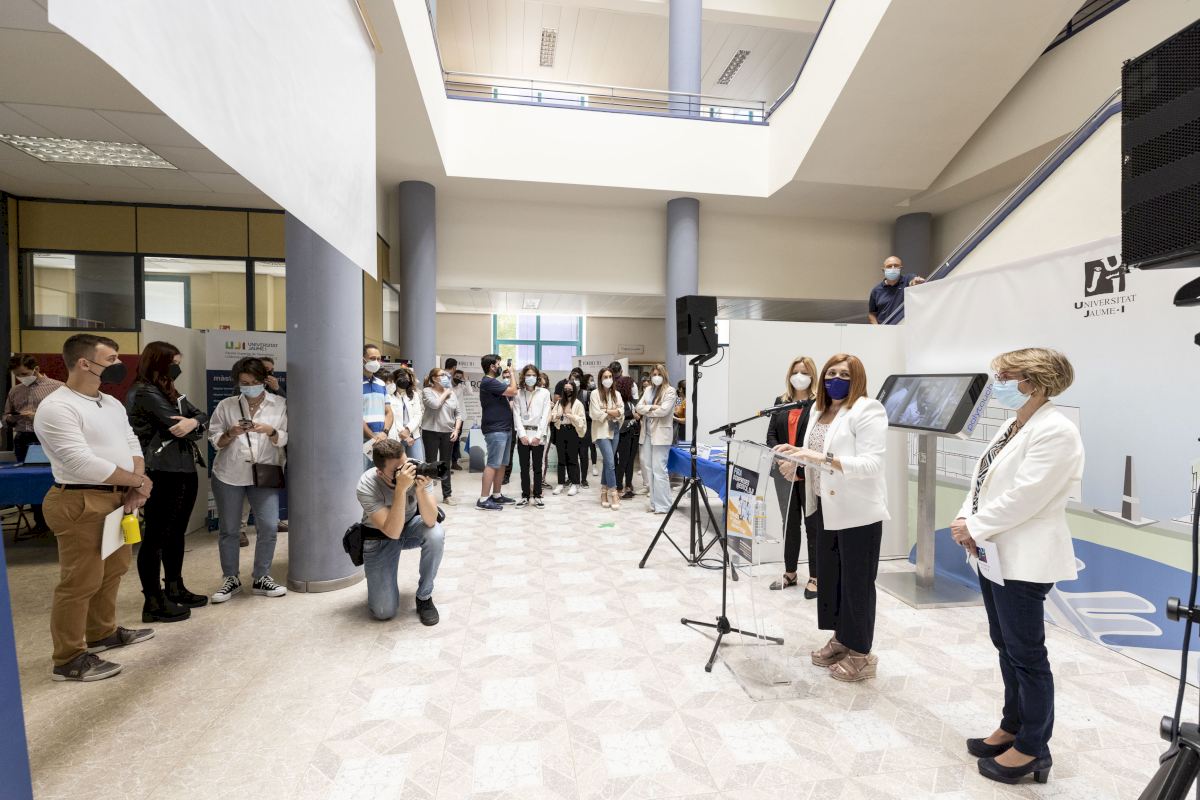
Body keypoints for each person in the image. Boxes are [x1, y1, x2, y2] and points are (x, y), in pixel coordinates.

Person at [950, 348, 1083, 785]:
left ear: (1037, 381)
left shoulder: (1057, 431)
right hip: (995, 552)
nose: (1000, 384)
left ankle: (1033, 748)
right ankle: (1012, 726)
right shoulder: (1013, 424)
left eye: (1008, 377)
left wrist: (974, 526)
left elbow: (1028, 495)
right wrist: (965, 518)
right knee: (1004, 644)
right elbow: (982, 481)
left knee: (1026, 654)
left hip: (1026, 558)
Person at [34, 334, 154, 682]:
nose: (119, 365)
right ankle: (68, 658)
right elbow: (81, 462)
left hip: (119, 498)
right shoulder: (57, 407)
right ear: (84, 363)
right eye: (111, 358)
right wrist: (137, 481)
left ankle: (102, 632)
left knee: (113, 569)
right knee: (80, 581)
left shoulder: (111, 403)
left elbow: (131, 442)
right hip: (80, 500)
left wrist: (135, 483)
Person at [778, 353, 888, 683]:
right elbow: (814, 457)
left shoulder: (868, 409)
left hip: (857, 512)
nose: (835, 379)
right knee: (834, 578)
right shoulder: (819, 410)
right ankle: (842, 638)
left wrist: (820, 457)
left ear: (857, 379)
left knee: (857, 583)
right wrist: (797, 463)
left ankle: (861, 654)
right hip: (823, 507)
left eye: (843, 374)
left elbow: (871, 464)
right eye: (830, 373)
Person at [126, 341, 210, 623]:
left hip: (182, 468)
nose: (177, 368)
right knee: (157, 536)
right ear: (159, 363)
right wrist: (191, 424)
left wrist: (192, 423)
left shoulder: (168, 391)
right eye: (174, 363)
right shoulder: (144, 392)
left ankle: (174, 587)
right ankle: (153, 600)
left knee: (176, 532)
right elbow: (175, 427)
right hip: (160, 470)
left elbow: (200, 416)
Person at [208, 358, 288, 603]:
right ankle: (230, 578)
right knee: (229, 530)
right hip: (229, 474)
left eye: (255, 382)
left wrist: (270, 431)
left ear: (264, 380)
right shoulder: (227, 405)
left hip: (265, 471)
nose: (250, 387)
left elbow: (286, 437)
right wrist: (230, 433)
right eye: (244, 383)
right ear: (237, 382)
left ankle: (261, 576)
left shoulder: (280, 404)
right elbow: (215, 440)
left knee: (268, 527)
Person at [357, 439, 443, 625]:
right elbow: (392, 532)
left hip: (409, 526)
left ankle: (424, 597)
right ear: (380, 472)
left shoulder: (416, 468)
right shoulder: (367, 484)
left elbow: (430, 520)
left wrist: (420, 490)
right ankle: (380, 587)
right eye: (398, 470)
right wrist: (401, 490)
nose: (406, 472)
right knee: (383, 611)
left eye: (406, 464)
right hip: (380, 536)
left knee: (435, 533)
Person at [765, 356, 818, 596]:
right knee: (789, 523)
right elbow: (771, 436)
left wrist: (797, 463)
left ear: (813, 376)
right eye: (796, 371)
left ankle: (816, 576)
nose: (800, 376)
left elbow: (815, 440)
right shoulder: (781, 401)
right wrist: (783, 461)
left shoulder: (818, 404)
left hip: (808, 472)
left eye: (805, 372)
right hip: (783, 472)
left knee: (812, 525)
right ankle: (790, 572)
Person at [5, 354, 64, 533]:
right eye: (17, 375)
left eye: (24, 374)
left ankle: (58, 521)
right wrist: (10, 419)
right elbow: (6, 414)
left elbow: (65, 415)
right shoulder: (15, 391)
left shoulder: (58, 388)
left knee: (52, 479)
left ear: (36, 369)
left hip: (47, 438)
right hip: (23, 438)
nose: (21, 378)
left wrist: (38, 415)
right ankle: (40, 523)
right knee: (30, 482)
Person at [476, 354, 517, 510]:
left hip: (505, 427)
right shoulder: (488, 382)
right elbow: (513, 391)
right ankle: (483, 499)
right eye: (498, 364)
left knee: (502, 464)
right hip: (495, 429)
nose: (501, 367)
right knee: (493, 463)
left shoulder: (494, 382)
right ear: (492, 367)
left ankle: (497, 495)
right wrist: (512, 373)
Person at [635, 364, 677, 514]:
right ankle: (654, 503)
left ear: (664, 375)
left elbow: (664, 411)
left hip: (661, 434)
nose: (656, 377)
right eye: (654, 374)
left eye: (659, 374)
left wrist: (648, 410)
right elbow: (638, 407)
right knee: (649, 469)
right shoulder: (648, 390)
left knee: (660, 470)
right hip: (647, 433)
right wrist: (652, 407)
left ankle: (664, 505)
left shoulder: (670, 391)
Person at [420, 366, 463, 506]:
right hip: (430, 432)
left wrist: (456, 430)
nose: (445, 377)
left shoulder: (452, 394)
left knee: (445, 464)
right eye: (442, 375)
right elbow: (435, 405)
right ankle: (427, 495)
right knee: (431, 464)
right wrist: (447, 392)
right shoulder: (427, 391)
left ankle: (447, 495)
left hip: (447, 432)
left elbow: (458, 414)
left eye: (446, 375)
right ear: (434, 378)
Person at [512, 364, 551, 508]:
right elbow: (516, 414)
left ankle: (538, 495)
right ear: (523, 377)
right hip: (523, 434)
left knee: (537, 467)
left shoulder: (544, 393)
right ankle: (525, 495)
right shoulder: (518, 393)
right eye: (528, 375)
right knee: (524, 467)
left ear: (537, 377)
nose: (531, 378)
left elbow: (545, 415)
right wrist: (521, 434)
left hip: (538, 434)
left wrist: (539, 435)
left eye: (533, 375)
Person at [590, 367, 624, 509]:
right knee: (610, 462)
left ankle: (603, 492)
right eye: (605, 377)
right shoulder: (594, 394)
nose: (608, 379)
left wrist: (606, 410)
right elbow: (595, 413)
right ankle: (614, 493)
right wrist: (612, 412)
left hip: (614, 429)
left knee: (607, 463)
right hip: (601, 431)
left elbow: (621, 411)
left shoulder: (617, 394)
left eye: (610, 376)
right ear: (600, 379)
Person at [550, 379, 586, 497]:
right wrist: (557, 415)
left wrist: (571, 416)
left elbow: (582, 421)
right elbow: (552, 415)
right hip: (560, 431)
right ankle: (560, 483)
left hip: (572, 431)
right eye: (565, 389)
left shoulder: (578, 404)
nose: (567, 391)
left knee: (572, 458)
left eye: (570, 389)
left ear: (574, 390)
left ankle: (575, 484)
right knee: (561, 459)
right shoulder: (559, 402)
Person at [868, 255, 927, 325]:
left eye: (896, 266)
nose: (893, 268)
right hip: (883, 327)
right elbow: (872, 314)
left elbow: (913, 281)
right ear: (883, 270)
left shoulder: (907, 279)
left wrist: (917, 282)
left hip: (903, 327)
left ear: (900, 268)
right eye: (889, 266)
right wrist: (877, 328)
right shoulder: (876, 290)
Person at [362, 344, 392, 470]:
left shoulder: (381, 384)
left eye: (378, 359)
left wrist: (384, 433)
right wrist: (373, 437)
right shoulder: (354, 383)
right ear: (362, 359)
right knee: (362, 475)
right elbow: (354, 416)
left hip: (381, 439)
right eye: (372, 358)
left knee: (379, 475)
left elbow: (388, 412)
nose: (376, 362)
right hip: (364, 441)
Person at [613, 365, 640, 501]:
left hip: (634, 432)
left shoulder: (631, 401)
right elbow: (620, 414)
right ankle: (618, 486)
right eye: (631, 387)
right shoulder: (618, 401)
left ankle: (628, 484)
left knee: (630, 461)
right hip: (623, 432)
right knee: (623, 461)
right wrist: (632, 414)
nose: (634, 389)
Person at [388, 365, 425, 461]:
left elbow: (418, 415)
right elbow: (391, 416)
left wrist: (408, 430)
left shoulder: (414, 395)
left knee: (418, 463)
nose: (405, 381)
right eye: (402, 378)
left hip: (413, 434)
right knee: (398, 464)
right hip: (396, 435)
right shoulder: (389, 395)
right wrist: (403, 433)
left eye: (407, 379)